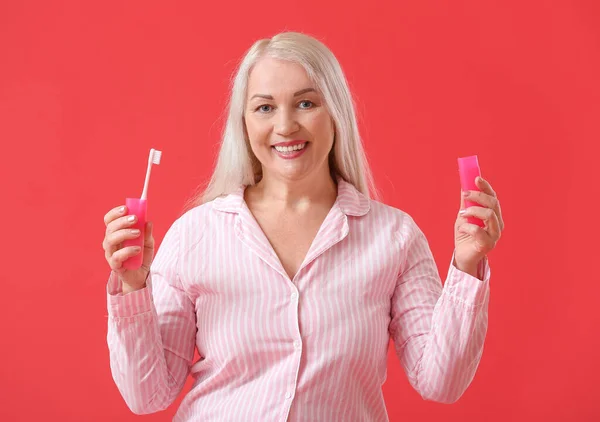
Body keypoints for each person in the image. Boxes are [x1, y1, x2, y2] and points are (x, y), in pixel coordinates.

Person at [102, 31, 504, 422]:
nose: (285, 125)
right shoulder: (195, 235)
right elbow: (148, 394)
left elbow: (441, 382)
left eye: (306, 103)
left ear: (336, 112)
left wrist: (467, 265)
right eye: (264, 108)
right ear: (243, 123)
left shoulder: (394, 237)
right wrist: (133, 289)